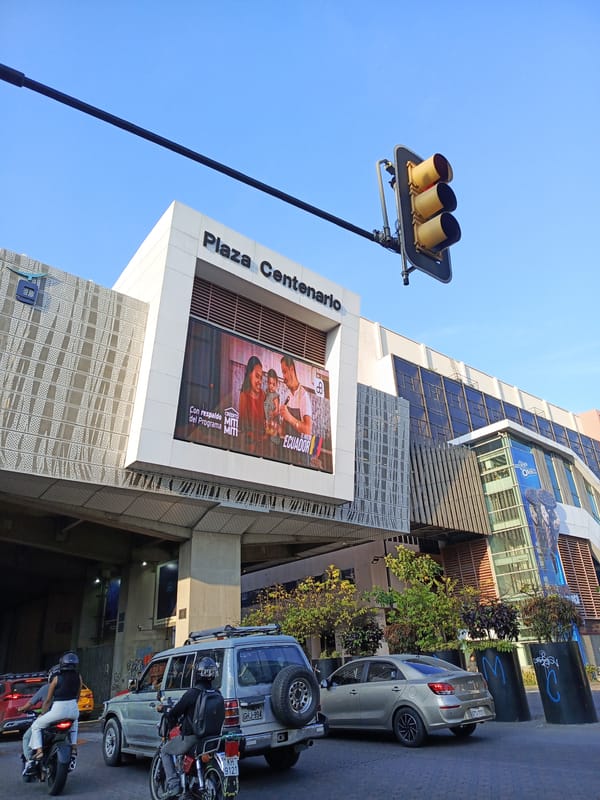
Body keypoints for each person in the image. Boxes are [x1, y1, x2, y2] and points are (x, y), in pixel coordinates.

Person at [157, 656, 220, 799]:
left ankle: (174, 786)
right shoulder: (216, 693)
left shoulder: (192, 693)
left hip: (193, 738)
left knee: (165, 751)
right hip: (213, 737)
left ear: (197, 674)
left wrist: (168, 713)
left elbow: (175, 711)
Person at [28, 651, 81, 763]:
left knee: (36, 726)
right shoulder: (79, 677)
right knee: (74, 723)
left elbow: (47, 700)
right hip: (74, 709)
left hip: (58, 710)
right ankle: (74, 747)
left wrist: (42, 714)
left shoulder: (56, 679)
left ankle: (39, 751)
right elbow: (78, 696)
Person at [19, 664, 60, 765]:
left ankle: (30, 760)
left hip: (48, 718)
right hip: (64, 717)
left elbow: (30, 704)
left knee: (27, 737)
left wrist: (21, 709)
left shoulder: (46, 688)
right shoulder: (66, 688)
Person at [238, 355, 266, 456]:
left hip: (263, 449)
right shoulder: (244, 395)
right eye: (257, 376)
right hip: (249, 449)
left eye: (261, 378)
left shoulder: (263, 395)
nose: (260, 381)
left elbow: (266, 422)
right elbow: (242, 429)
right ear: (249, 374)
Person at [263, 368, 281, 447]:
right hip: (265, 420)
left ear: (277, 385)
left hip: (272, 421)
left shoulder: (275, 396)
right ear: (267, 383)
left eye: (274, 384)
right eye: (269, 383)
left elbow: (277, 410)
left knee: (272, 441)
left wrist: (273, 413)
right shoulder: (265, 393)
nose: (271, 386)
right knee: (265, 441)